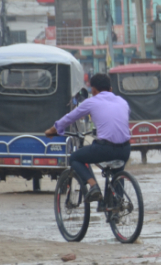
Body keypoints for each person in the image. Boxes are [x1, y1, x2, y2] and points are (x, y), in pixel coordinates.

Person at [45, 73, 130, 203]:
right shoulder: (123, 102)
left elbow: (69, 118)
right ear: (111, 89)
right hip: (125, 149)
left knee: (75, 158)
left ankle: (93, 185)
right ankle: (118, 205)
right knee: (117, 171)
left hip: (105, 149)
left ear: (93, 90)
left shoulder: (91, 102)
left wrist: (52, 130)